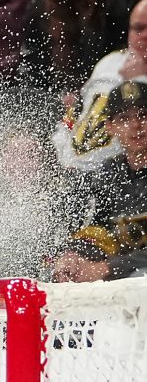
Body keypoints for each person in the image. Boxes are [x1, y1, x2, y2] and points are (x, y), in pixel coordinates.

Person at [53, 79, 147, 281]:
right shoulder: (110, 173)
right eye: (124, 118)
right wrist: (73, 256)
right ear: (110, 127)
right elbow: (98, 230)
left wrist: (106, 268)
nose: (136, 125)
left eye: (143, 115)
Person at [54, 0, 147, 169]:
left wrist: (140, 78)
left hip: (124, 176)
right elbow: (73, 115)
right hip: (70, 169)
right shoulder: (109, 62)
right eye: (138, 29)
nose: (144, 36)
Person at [21, 0, 131, 108]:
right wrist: (49, 99)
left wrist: (83, 92)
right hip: (60, 98)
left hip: (110, 90)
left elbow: (121, 55)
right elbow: (34, 63)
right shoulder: (41, 3)